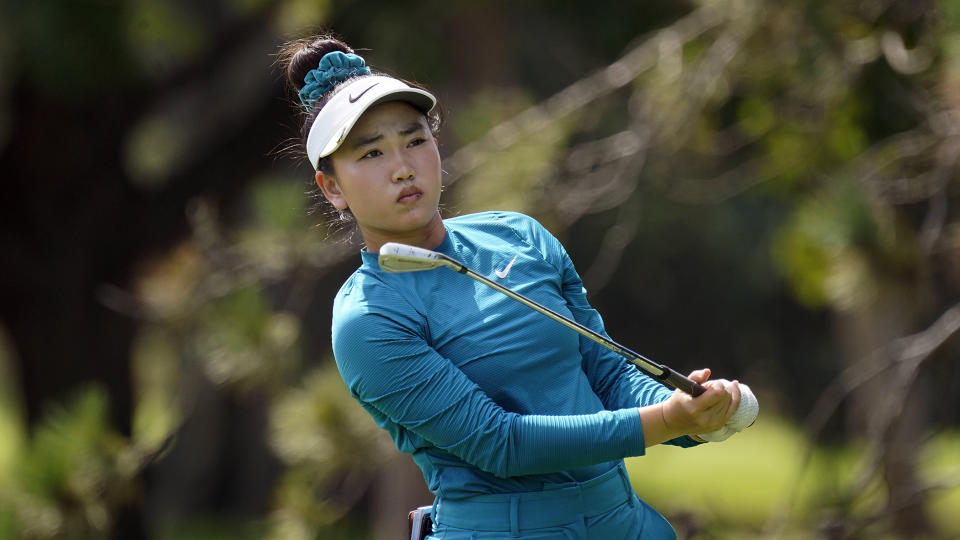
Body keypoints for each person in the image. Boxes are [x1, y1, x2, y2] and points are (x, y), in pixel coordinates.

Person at [278, 34, 747, 540]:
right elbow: (501, 444)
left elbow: (605, 370)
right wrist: (665, 422)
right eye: (371, 154)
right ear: (332, 189)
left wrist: (696, 414)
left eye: (415, 141)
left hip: (624, 521)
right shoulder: (367, 319)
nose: (402, 168)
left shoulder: (518, 235)